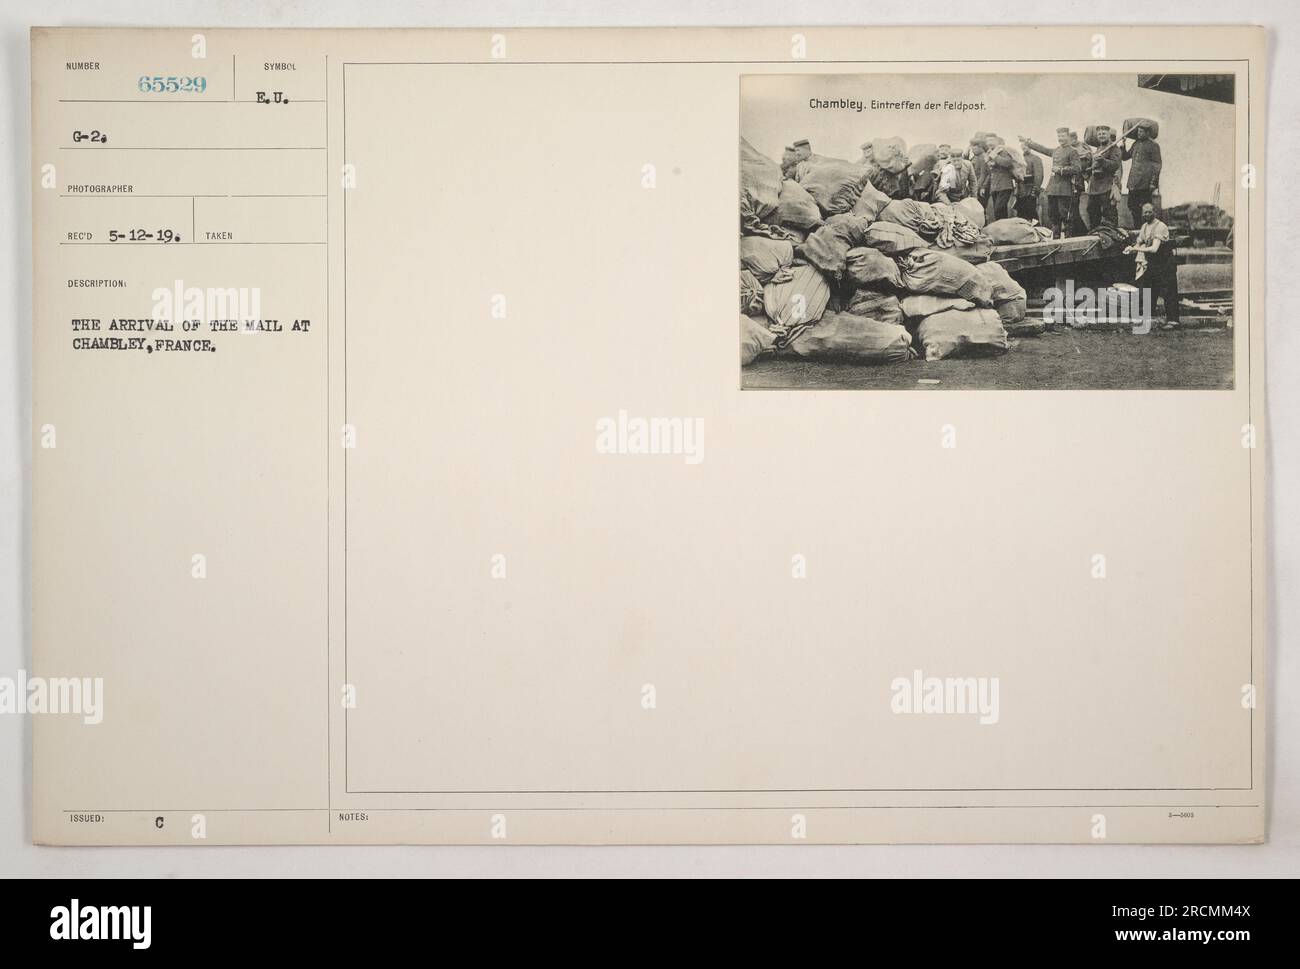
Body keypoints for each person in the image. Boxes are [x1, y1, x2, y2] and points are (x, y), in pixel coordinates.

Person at [1124, 202, 1180, 327]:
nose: (1147, 214)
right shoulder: (1144, 227)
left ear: (1154, 212)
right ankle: (1148, 316)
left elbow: (1154, 248)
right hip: (1154, 262)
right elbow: (1139, 242)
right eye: (1145, 212)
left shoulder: (1161, 226)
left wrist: (1136, 250)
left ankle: (1173, 320)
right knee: (1149, 287)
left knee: (1168, 290)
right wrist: (1131, 247)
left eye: (1149, 212)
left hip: (1166, 262)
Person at [1021, 128, 1082, 239]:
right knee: (1053, 216)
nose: (1061, 138)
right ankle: (1056, 239)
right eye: (1059, 136)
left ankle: (1068, 240)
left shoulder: (1073, 151)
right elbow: (1042, 149)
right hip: (1052, 189)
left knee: (1066, 217)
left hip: (1065, 190)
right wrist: (1029, 142)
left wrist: (1061, 170)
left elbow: (1077, 168)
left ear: (1068, 137)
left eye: (1063, 136)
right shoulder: (1056, 150)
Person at [1122, 123, 1162, 226]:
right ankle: (1138, 228)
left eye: (1141, 132)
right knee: (1132, 205)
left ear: (1148, 133)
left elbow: (1157, 165)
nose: (1139, 134)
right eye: (1138, 131)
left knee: (1146, 208)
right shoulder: (1136, 144)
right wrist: (1123, 147)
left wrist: (1153, 182)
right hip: (1134, 182)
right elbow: (1125, 157)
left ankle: (1148, 228)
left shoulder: (1153, 145)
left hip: (1145, 182)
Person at [1084, 126, 1122, 231]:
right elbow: (1094, 167)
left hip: (1107, 186)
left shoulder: (1114, 148)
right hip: (1094, 188)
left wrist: (1102, 161)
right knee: (1092, 212)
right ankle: (1094, 234)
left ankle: (1112, 236)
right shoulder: (1098, 149)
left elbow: (1115, 165)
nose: (1101, 136)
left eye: (1104, 134)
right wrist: (1088, 169)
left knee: (1109, 214)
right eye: (1099, 134)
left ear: (1109, 135)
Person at [983, 134, 1017, 222]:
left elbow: (1008, 163)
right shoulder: (989, 153)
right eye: (988, 141)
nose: (989, 143)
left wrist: (995, 156)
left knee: (999, 209)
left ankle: (1004, 229)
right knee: (998, 211)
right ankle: (1002, 230)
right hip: (994, 187)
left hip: (1005, 185)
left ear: (997, 141)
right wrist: (984, 186)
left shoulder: (1003, 151)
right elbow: (990, 173)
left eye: (991, 140)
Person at [1017, 149, 1044, 222]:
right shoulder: (1020, 158)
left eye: (1027, 145)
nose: (1024, 147)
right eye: (1022, 145)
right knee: (1021, 214)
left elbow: (1039, 176)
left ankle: (1037, 230)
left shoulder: (1035, 158)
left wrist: (1035, 189)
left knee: (1031, 213)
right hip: (1021, 190)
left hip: (1030, 189)